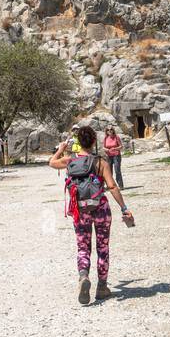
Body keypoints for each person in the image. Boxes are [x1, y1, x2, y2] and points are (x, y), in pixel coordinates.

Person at [50, 125, 132, 305]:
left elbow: (51, 162)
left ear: (78, 142)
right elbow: (111, 186)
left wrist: (61, 149)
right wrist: (124, 207)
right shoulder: (100, 162)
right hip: (100, 208)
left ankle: (83, 277)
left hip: (80, 210)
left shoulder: (70, 160)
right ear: (94, 141)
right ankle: (102, 287)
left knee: (83, 247)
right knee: (102, 248)